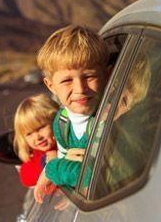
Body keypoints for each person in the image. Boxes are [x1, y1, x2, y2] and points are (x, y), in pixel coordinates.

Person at [34, 25, 110, 203]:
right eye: (67, 80)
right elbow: (66, 159)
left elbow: (94, 177)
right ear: (50, 85)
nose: (80, 89)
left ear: (106, 75)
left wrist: (51, 169)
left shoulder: (109, 119)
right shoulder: (62, 121)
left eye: (89, 76)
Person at [13, 93, 59, 187]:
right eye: (29, 134)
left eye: (40, 128)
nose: (37, 137)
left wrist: (60, 156)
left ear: (56, 120)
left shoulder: (68, 142)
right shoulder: (36, 156)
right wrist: (46, 163)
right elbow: (25, 177)